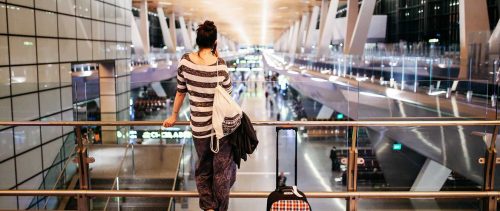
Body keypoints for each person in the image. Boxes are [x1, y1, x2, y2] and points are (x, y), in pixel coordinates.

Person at [162, 21, 236, 211]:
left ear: (197, 41)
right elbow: (228, 95)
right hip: (220, 129)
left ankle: (209, 207)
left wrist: (174, 116)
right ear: (215, 42)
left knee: (203, 168)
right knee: (222, 171)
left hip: (200, 127)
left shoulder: (185, 61)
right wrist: (217, 60)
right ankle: (220, 208)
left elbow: (180, 92)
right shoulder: (221, 65)